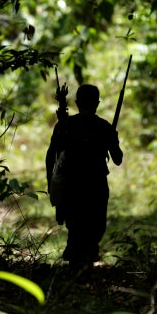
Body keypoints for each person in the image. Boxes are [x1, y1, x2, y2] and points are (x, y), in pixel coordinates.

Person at [46, 84, 123, 270]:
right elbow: (118, 159)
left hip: (76, 186)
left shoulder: (66, 125)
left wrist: (51, 182)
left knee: (80, 226)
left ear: (77, 103)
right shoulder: (103, 127)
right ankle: (81, 264)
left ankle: (80, 265)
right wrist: (113, 138)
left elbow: (51, 155)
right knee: (90, 227)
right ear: (97, 103)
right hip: (91, 186)